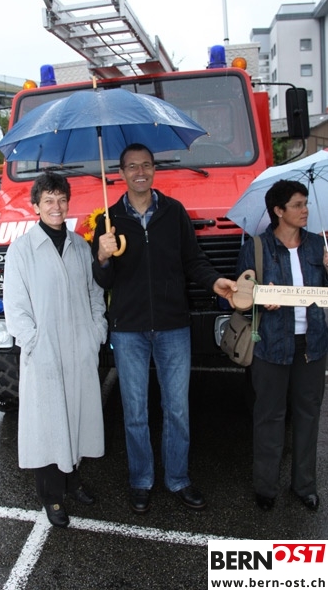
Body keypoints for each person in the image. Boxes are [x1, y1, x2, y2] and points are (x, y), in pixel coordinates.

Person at [92, 143, 237, 514]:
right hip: (128, 330)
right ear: (121, 174)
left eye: (146, 165)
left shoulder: (174, 212)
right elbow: (103, 281)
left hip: (173, 325)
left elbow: (194, 261)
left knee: (177, 410)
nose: (140, 172)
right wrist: (103, 256)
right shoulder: (107, 220)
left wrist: (216, 282)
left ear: (154, 169)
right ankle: (141, 480)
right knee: (135, 412)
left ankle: (178, 478)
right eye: (132, 166)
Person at [3, 172, 108, 528]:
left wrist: (96, 332)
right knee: (48, 423)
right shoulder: (21, 250)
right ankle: (52, 496)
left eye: (62, 199)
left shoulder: (80, 246)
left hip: (79, 348)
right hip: (44, 351)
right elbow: (15, 306)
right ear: (35, 206)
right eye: (48, 200)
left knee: (76, 416)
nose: (56, 207)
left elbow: (95, 295)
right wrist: (33, 342)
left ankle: (72, 480)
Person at [236, 179, 328, 511]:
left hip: (313, 344)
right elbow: (240, 298)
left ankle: (305, 486)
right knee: (269, 416)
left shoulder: (318, 245)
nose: (305, 210)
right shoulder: (257, 247)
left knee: (308, 416)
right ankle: (266, 487)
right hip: (271, 344)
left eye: (306, 204)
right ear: (278, 210)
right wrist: (261, 299)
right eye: (297, 205)